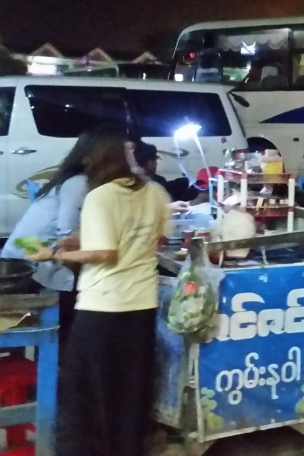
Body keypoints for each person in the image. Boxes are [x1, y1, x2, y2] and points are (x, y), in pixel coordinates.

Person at [27, 126, 172, 456]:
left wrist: (56, 254)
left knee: (89, 392)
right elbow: (156, 238)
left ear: (96, 159)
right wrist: (76, 240)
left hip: (102, 308)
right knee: (131, 389)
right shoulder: (153, 191)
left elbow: (106, 253)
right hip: (142, 304)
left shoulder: (100, 196)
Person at [0, 130, 101, 344]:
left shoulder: (72, 180)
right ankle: (60, 361)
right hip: (26, 269)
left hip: (25, 262)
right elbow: (67, 239)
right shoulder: (78, 183)